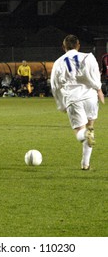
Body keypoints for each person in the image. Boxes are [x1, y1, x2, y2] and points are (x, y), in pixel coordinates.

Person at [50, 34, 104, 170]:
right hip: (90, 96)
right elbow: (95, 75)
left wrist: (60, 104)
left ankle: (85, 135)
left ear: (64, 47)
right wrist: (99, 89)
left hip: (73, 98)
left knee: (81, 132)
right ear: (78, 45)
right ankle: (85, 164)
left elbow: (55, 85)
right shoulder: (88, 57)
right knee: (90, 128)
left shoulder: (58, 63)